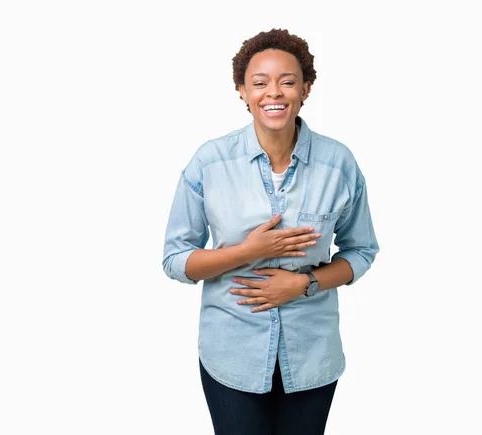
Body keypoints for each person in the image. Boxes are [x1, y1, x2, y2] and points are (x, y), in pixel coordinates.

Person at [162, 28, 380, 435]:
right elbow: (176, 260)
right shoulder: (209, 162)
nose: (273, 93)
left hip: (312, 355)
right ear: (242, 92)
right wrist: (247, 251)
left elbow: (361, 251)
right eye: (259, 83)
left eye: (287, 81)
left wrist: (304, 285)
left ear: (306, 88)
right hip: (232, 354)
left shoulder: (339, 164)